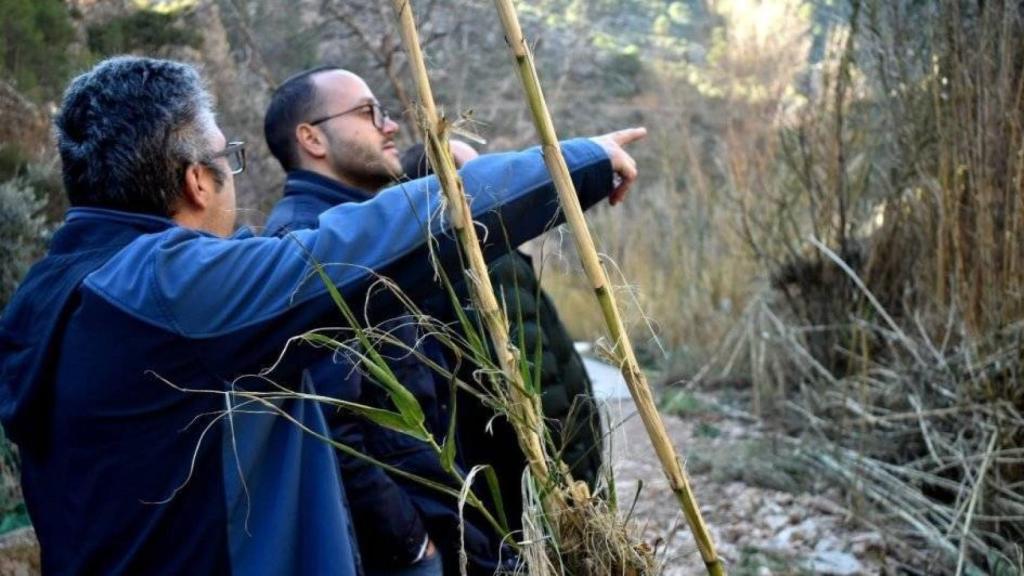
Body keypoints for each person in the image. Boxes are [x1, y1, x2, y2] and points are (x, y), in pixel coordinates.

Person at [0, 55, 644, 575]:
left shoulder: (49, 291)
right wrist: (574, 164)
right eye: (229, 159)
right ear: (197, 180)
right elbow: (361, 245)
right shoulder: (169, 289)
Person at [261, 67, 501, 576]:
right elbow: (330, 422)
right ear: (311, 138)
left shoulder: (365, 233)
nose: (389, 126)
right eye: (369, 113)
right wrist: (412, 546)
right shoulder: (309, 241)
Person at [402, 142, 603, 535]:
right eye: (477, 174)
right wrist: (572, 479)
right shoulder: (486, 270)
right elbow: (534, 387)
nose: (495, 185)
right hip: (548, 490)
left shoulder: (479, 258)